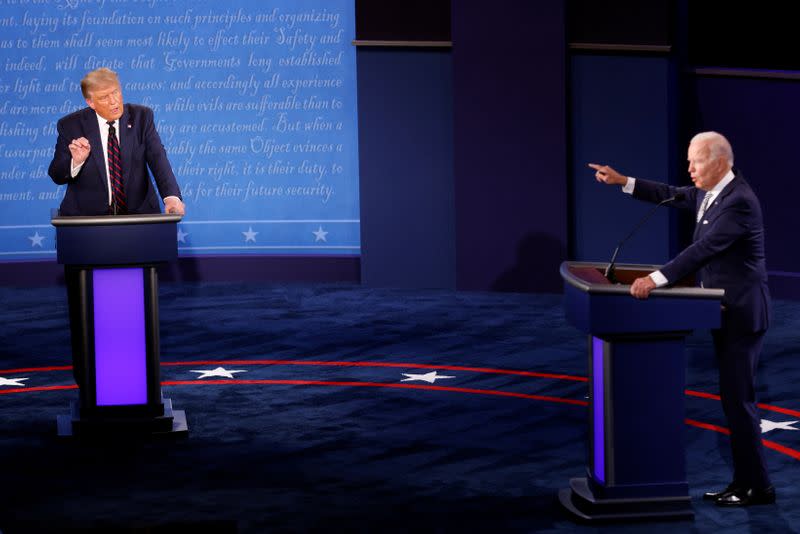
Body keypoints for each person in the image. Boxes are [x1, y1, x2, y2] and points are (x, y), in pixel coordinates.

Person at [589, 131, 774, 507]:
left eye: (696, 161)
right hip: (725, 311)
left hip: (742, 313)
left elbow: (703, 249)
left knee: (739, 403)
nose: (689, 169)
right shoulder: (712, 190)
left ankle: (757, 487)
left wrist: (655, 279)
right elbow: (671, 193)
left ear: (720, 161)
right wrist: (624, 181)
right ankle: (746, 481)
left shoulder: (739, 202)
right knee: (733, 402)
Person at [47, 67, 184, 388]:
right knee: (86, 311)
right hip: (86, 231)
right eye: (106, 97)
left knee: (136, 308)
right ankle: (89, 382)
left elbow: (158, 159)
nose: (115, 101)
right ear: (90, 101)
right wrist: (75, 160)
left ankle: (140, 382)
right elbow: (56, 173)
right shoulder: (71, 125)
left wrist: (172, 195)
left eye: (117, 93)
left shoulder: (142, 117)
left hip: (136, 225)